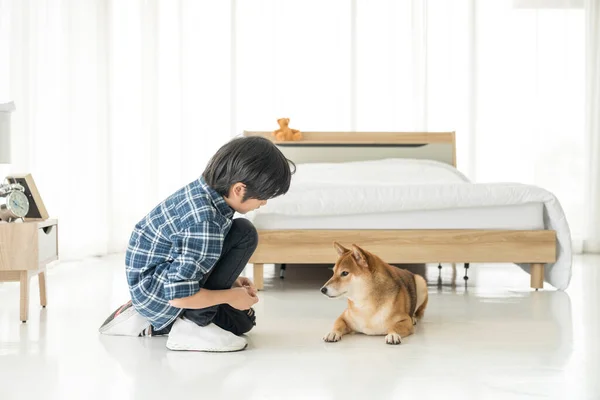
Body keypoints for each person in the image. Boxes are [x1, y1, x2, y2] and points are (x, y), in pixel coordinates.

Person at [99, 136, 295, 352]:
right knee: (245, 234)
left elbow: (192, 254)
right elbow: (178, 296)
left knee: (243, 322)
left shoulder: (207, 193)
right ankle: (189, 328)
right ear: (239, 189)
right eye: (263, 197)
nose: (264, 203)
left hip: (162, 277)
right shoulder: (204, 222)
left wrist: (232, 281)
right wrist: (230, 295)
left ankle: (160, 321)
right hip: (163, 293)